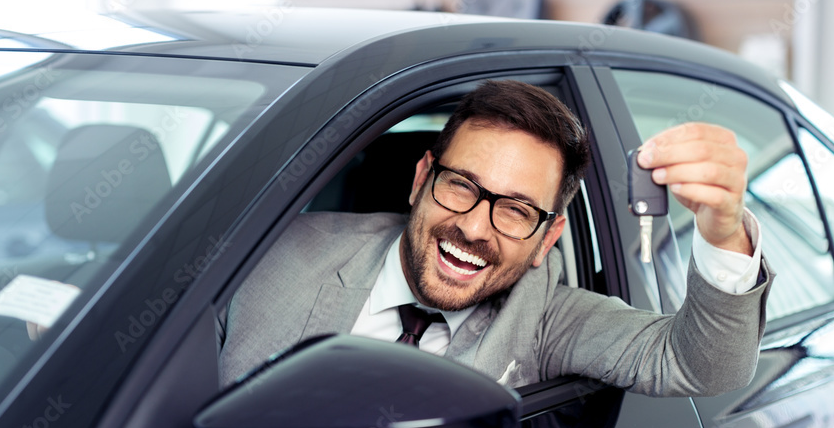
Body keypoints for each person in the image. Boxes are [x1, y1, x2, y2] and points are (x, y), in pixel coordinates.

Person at [219, 79, 771, 396]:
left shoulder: (545, 318)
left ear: (547, 238)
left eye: (515, 210)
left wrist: (722, 231)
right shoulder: (273, 253)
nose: (474, 227)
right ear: (420, 179)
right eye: (460, 186)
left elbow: (702, 365)